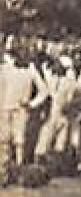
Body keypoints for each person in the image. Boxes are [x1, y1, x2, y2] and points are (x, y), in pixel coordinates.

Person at [0, 48, 47, 180]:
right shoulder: (4, 68)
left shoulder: (30, 70)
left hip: (21, 110)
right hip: (4, 108)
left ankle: (19, 170)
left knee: (19, 141)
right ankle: (3, 171)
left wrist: (31, 104)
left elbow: (44, 91)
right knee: (3, 140)